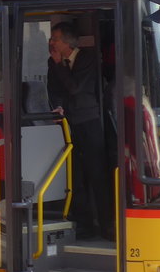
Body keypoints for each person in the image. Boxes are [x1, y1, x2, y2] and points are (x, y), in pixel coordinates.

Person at [47, 21, 114, 241]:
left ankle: (107, 224)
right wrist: (56, 105)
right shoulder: (53, 62)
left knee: (97, 173)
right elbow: (54, 89)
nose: (52, 42)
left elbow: (76, 88)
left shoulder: (87, 59)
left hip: (89, 121)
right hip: (68, 123)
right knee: (74, 176)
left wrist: (59, 65)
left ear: (67, 42)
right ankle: (83, 224)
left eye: (55, 38)